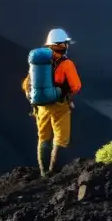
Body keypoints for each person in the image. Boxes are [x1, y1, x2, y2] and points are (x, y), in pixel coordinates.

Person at [22, 27, 82, 176]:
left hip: (41, 108)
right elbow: (76, 86)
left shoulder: (38, 63)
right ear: (61, 44)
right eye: (65, 43)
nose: (67, 46)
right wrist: (66, 96)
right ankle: (53, 172)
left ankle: (43, 173)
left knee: (44, 138)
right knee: (61, 139)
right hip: (60, 106)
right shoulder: (66, 64)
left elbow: (26, 85)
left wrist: (34, 98)